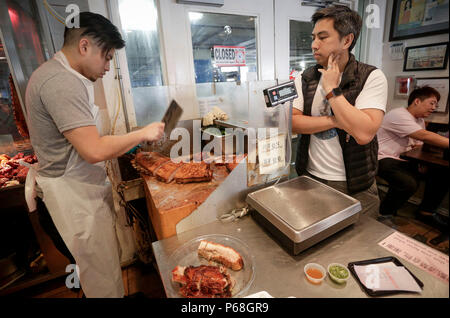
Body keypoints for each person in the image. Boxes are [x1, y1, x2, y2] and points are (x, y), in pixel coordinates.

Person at [24, 12, 164, 298]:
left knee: (99, 276)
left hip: (76, 193)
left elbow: (93, 140)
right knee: (100, 284)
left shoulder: (62, 76)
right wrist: (142, 134)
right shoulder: (60, 82)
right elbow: (93, 150)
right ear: (84, 45)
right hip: (71, 201)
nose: (108, 66)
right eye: (107, 57)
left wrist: (133, 141)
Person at [292, 5, 388, 218]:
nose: (314, 45)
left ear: (347, 41)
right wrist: (336, 121)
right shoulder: (305, 77)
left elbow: (363, 133)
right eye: (313, 37)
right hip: (310, 177)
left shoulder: (370, 77)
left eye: (323, 37)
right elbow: (293, 122)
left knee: (359, 247)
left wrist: (332, 90)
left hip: (355, 184)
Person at [377, 86, 449, 227]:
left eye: (436, 104)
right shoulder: (398, 114)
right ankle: (383, 213)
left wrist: (421, 161)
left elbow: (419, 144)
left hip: (403, 158)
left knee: (442, 174)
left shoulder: (419, 121)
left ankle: (426, 212)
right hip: (383, 157)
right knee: (407, 183)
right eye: (432, 103)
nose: (434, 108)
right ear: (417, 101)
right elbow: (424, 136)